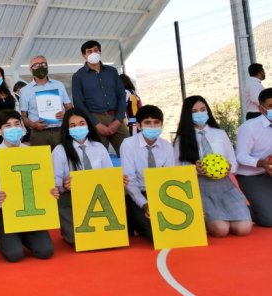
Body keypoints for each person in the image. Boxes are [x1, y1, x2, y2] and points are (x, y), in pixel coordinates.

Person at [173, 96, 252, 237]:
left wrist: (228, 167)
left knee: (244, 228)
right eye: (194, 111)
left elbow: (233, 161)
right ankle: (205, 219)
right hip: (200, 186)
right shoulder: (182, 139)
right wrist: (194, 169)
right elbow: (175, 167)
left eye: (203, 109)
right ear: (187, 115)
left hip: (225, 185)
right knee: (221, 230)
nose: (200, 113)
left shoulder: (220, 134)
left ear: (208, 111)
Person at [0, 109, 54, 262]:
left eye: (17, 124)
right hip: (4, 212)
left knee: (45, 251)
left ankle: (21, 235)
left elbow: (42, 184)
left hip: (30, 211)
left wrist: (50, 192)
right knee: (14, 255)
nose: (13, 129)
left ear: (23, 128)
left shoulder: (32, 153)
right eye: (7, 126)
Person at [50, 108, 113, 246]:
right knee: (77, 240)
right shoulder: (59, 151)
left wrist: (118, 180)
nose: (78, 127)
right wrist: (63, 185)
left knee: (109, 235)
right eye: (72, 125)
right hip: (71, 199)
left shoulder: (99, 147)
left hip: (99, 198)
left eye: (81, 123)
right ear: (67, 129)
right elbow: (54, 182)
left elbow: (109, 174)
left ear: (88, 125)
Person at [120, 105, 175, 241]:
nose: (152, 126)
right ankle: (133, 218)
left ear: (162, 124)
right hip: (138, 194)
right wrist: (145, 204)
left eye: (156, 123)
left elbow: (170, 177)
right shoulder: (128, 145)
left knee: (175, 229)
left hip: (161, 193)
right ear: (139, 126)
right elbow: (130, 181)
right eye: (148, 123)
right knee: (156, 234)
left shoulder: (167, 146)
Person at [72, 40, 128, 155]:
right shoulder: (78, 76)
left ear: (100, 52)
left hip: (116, 117)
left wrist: (118, 120)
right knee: (98, 158)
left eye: (96, 50)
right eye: (89, 51)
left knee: (129, 153)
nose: (93, 53)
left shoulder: (112, 71)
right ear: (84, 55)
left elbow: (121, 95)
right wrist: (95, 124)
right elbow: (79, 103)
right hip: (95, 119)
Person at [236, 87, 272, 227]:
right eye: (271, 106)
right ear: (261, 109)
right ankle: (238, 211)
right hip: (250, 176)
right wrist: (261, 163)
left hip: (269, 173)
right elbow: (240, 156)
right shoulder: (249, 127)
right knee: (269, 220)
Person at [19, 55, 72, 149]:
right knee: (41, 162)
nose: (40, 66)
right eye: (36, 65)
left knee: (62, 161)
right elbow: (23, 116)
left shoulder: (59, 85)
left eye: (43, 64)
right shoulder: (24, 91)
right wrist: (33, 125)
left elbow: (69, 108)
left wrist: (66, 114)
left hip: (60, 131)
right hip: (38, 134)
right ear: (31, 70)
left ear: (47, 66)